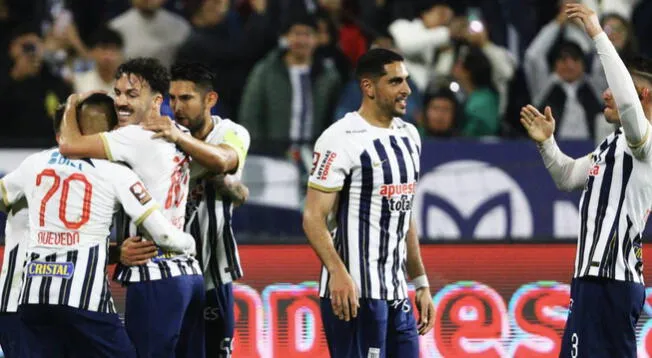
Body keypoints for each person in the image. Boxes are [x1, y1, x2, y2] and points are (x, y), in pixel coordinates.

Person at [0, 93, 196, 358]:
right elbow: (163, 233)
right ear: (113, 131)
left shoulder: (34, 164)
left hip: (31, 295)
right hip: (85, 300)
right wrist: (190, 242)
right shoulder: (116, 173)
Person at [520, 4, 651, 357]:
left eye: (613, 87)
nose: (605, 93)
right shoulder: (612, 145)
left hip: (611, 281)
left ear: (644, 95)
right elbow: (566, 177)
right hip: (593, 281)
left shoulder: (646, 144)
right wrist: (547, 143)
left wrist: (596, 33)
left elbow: (627, 103)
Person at [56, 58, 204, 357]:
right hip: (190, 275)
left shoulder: (134, 136)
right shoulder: (179, 134)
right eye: (118, 93)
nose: (121, 102)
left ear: (156, 101)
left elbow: (68, 145)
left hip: (154, 273)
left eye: (131, 95)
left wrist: (72, 103)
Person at [302, 48, 435, 357]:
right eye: (395, 82)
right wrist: (337, 272)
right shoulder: (340, 138)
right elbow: (312, 217)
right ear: (369, 87)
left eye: (406, 80)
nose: (407, 90)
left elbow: (404, 214)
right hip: (355, 295)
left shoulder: (410, 136)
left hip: (397, 293)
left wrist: (421, 282)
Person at [141, 62, 250, 357]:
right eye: (172, 98)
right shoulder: (159, 137)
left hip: (213, 269)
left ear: (210, 99)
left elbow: (224, 160)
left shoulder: (232, 132)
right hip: (166, 270)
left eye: (186, 98)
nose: (177, 107)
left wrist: (180, 140)